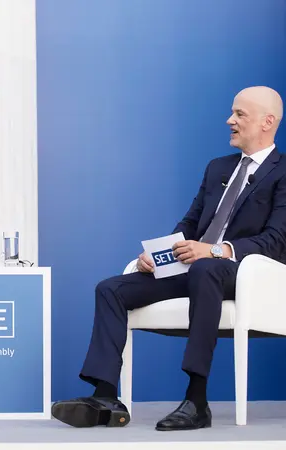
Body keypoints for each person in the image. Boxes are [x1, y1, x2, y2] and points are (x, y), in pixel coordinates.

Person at [51, 86, 285, 431]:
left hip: (244, 273)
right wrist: (157, 256)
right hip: (197, 269)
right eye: (232, 112)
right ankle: (105, 397)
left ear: (267, 122)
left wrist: (215, 250)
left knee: (206, 268)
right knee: (111, 289)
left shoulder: (282, 171)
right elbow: (190, 223)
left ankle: (196, 400)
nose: (229, 120)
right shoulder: (218, 168)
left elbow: (277, 240)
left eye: (239, 114)